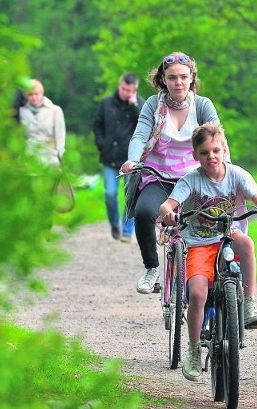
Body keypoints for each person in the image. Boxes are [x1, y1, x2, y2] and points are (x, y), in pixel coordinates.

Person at [159, 123, 257, 381]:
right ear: (195, 155)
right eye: (204, 152)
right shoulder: (191, 180)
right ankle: (194, 348)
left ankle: (249, 305)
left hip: (230, 237)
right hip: (199, 244)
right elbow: (168, 204)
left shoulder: (238, 175)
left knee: (247, 243)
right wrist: (169, 214)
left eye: (216, 150)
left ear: (225, 149)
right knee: (196, 294)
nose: (211, 157)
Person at [120, 52, 228, 294]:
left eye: (183, 77)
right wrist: (133, 160)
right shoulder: (152, 105)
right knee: (144, 212)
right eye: (172, 78)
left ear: (192, 79)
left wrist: (225, 167)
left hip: (194, 180)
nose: (178, 82)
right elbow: (140, 135)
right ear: (163, 80)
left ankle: (214, 278)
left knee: (210, 223)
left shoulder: (202, 105)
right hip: (158, 177)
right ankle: (151, 270)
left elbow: (219, 138)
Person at [93, 73, 145, 242]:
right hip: (109, 157)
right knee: (110, 194)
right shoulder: (106, 103)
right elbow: (97, 125)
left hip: (130, 159)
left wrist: (134, 105)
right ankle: (115, 224)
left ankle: (128, 230)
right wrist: (102, 144)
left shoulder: (141, 105)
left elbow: (147, 127)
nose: (125, 92)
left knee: (131, 196)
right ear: (119, 85)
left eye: (129, 90)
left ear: (134, 90)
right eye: (123, 88)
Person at [19, 78, 66, 166]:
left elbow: (60, 135)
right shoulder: (22, 112)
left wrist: (59, 156)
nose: (34, 97)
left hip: (50, 157)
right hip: (29, 157)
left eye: (36, 94)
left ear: (41, 93)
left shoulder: (55, 110)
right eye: (30, 95)